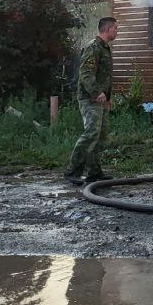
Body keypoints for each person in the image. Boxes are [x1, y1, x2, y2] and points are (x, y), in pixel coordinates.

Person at [65, 17, 118, 186]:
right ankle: (73, 171)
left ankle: (94, 172)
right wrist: (97, 93)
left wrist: (107, 98)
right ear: (107, 29)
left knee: (100, 135)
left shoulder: (104, 48)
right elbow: (86, 74)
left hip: (100, 100)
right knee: (91, 133)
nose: (117, 31)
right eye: (115, 28)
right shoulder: (93, 47)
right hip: (90, 99)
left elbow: (104, 76)